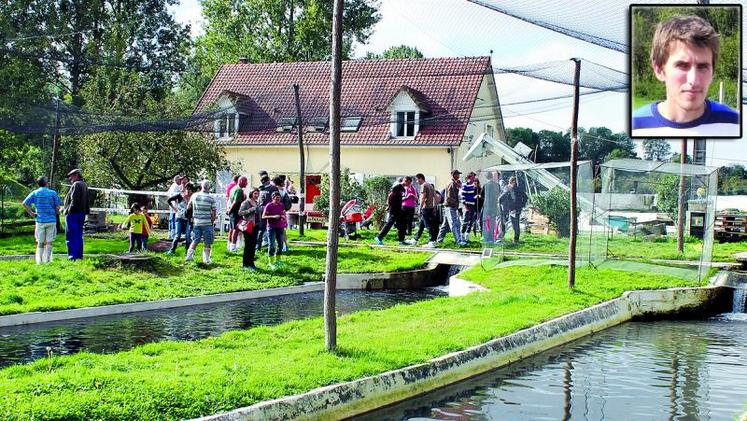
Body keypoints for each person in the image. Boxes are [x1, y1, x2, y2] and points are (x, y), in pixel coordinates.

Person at [631, 15, 739, 137]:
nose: (693, 80)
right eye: (682, 66)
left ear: (713, 71)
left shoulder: (734, 123)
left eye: (703, 67)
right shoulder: (635, 125)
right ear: (659, 70)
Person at [22, 176, 61, 264]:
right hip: (51, 220)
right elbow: (58, 207)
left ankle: (39, 261)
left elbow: (24, 203)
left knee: (40, 242)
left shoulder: (35, 193)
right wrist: (56, 211)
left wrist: (32, 213)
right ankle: (47, 261)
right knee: (49, 242)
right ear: (46, 183)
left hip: (40, 221)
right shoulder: (53, 193)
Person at [186, 180, 217, 264]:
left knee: (195, 239)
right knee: (208, 241)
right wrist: (212, 221)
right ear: (209, 188)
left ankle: (189, 256)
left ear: (201, 186)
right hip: (207, 222)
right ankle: (206, 259)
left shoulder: (194, 195)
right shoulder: (211, 198)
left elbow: (188, 207)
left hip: (196, 222)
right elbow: (214, 212)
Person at [62, 168, 89, 261]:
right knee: (78, 236)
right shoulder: (84, 185)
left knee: (71, 236)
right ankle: (79, 256)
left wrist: (68, 211)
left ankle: (72, 257)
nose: (70, 178)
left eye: (71, 176)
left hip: (73, 214)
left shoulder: (76, 184)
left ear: (77, 175)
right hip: (81, 213)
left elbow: (74, 200)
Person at [406, 173, 438, 248]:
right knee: (421, 225)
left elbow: (423, 198)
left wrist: (420, 208)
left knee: (428, 225)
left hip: (425, 208)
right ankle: (415, 239)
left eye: (417, 180)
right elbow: (435, 197)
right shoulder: (430, 185)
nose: (417, 182)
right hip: (430, 208)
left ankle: (432, 241)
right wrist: (434, 207)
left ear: (420, 178)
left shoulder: (423, 185)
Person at [437, 170, 466, 246]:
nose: (459, 176)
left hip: (450, 206)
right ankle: (459, 241)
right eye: (457, 174)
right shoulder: (451, 183)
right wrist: (456, 203)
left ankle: (439, 239)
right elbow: (449, 197)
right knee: (454, 223)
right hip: (450, 206)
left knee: (445, 224)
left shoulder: (454, 183)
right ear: (453, 175)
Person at [166, 182, 196, 255]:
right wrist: (174, 209)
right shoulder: (179, 196)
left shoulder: (193, 198)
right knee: (177, 235)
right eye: (187, 189)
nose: (188, 191)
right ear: (185, 189)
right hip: (179, 217)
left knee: (188, 236)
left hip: (188, 219)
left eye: (190, 190)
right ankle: (172, 250)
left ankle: (187, 252)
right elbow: (169, 200)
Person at [262, 191, 287, 269]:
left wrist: (283, 217)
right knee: (272, 244)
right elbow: (263, 216)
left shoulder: (281, 205)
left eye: (279, 198)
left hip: (280, 227)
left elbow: (283, 213)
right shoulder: (269, 205)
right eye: (276, 198)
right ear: (272, 198)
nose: (278, 200)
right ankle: (271, 262)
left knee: (280, 244)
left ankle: (278, 261)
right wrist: (273, 217)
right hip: (271, 227)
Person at [238, 188, 260, 270]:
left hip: (256, 226)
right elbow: (240, 213)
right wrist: (249, 210)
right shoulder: (246, 202)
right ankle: (245, 264)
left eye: (258, 194)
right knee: (248, 245)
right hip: (248, 226)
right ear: (251, 193)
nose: (257, 195)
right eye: (255, 193)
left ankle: (251, 263)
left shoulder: (257, 203)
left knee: (253, 245)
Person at [256, 175, 278, 251]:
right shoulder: (273, 188)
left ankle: (258, 246)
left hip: (261, 209)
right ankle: (270, 245)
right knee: (271, 228)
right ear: (268, 180)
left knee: (261, 229)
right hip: (269, 209)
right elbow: (276, 199)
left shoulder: (261, 188)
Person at [226, 176, 248, 252]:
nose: (247, 183)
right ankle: (233, 246)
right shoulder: (239, 190)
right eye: (246, 181)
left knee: (232, 229)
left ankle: (229, 245)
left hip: (232, 212)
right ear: (241, 181)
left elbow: (229, 200)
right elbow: (235, 202)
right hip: (236, 212)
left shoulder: (233, 188)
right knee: (236, 229)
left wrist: (229, 210)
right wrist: (230, 210)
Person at [481, 171, 501, 244]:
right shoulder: (497, 185)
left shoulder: (485, 185)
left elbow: (481, 196)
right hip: (494, 206)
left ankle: (486, 237)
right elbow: (499, 194)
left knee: (486, 223)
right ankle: (492, 238)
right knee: (492, 223)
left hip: (487, 207)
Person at [460, 171, 478, 242]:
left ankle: (467, 235)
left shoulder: (474, 186)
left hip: (472, 205)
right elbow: (462, 197)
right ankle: (462, 235)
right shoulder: (465, 185)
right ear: (469, 177)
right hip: (467, 205)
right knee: (465, 221)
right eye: (473, 176)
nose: (474, 178)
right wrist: (465, 206)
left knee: (471, 221)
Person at [166, 175, 183, 240]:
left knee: (172, 220)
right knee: (173, 220)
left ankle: (171, 234)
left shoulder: (175, 186)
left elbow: (167, 194)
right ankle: (173, 235)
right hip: (174, 207)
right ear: (176, 180)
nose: (181, 181)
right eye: (179, 179)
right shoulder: (175, 186)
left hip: (175, 206)